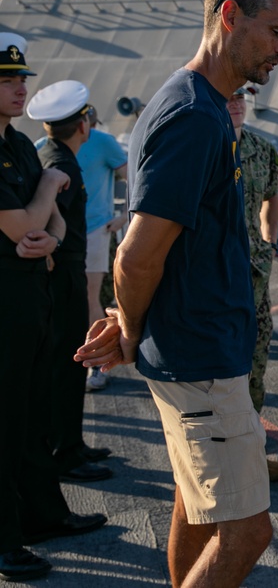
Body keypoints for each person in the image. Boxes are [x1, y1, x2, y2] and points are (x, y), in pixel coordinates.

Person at [75, 0, 278, 588]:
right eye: (275, 31)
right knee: (249, 533)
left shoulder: (190, 102)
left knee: (195, 503)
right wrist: (128, 326)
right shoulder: (195, 118)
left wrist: (130, 323)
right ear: (230, 16)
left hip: (196, 349)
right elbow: (137, 255)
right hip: (201, 358)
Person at [0, 33, 106, 583]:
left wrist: (38, 220)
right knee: (4, 422)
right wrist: (43, 197)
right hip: (4, 304)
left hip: (30, 296)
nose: (21, 87)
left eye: (21, 78)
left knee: (31, 416)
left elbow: (51, 227)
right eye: (8, 79)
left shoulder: (17, 144)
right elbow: (22, 222)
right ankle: (5, 540)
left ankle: (41, 516)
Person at [27, 80, 114, 483]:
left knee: (67, 364)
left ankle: (72, 443)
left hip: (64, 274)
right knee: (65, 365)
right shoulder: (60, 165)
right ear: (83, 125)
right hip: (61, 277)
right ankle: (65, 451)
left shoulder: (51, 155)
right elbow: (47, 225)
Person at [226, 85, 278, 482]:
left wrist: (269, 240)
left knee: (256, 366)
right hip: (216, 280)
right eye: (228, 98)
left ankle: (249, 454)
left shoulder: (262, 150)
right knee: (221, 372)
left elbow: (271, 197)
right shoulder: (203, 148)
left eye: (240, 99)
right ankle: (224, 459)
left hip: (255, 278)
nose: (236, 105)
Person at [77, 107, 127, 393]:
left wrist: (123, 217)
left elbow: (134, 175)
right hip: (59, 233)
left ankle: (95, 365)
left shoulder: (103, 142)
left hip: (95, 230)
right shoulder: (45, 146)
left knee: (90, 297)